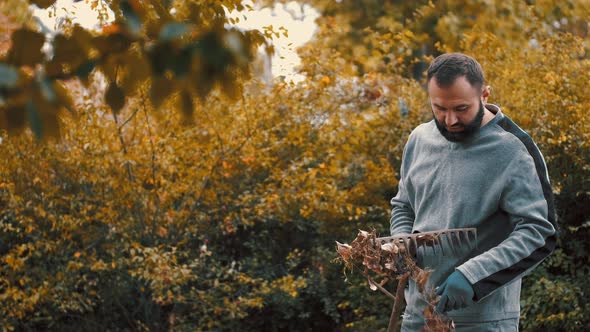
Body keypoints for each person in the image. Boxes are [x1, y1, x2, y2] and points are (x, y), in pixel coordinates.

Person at [389, 53, 557, 331]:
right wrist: (400, 244)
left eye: (461, 108)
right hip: (416, 317)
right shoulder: (419, 138)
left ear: (485, 93)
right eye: (439, 108)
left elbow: (539, 232)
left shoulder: (514, 149)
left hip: (484, 322)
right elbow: (403, 205)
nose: (450, 120)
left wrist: (473, 276)